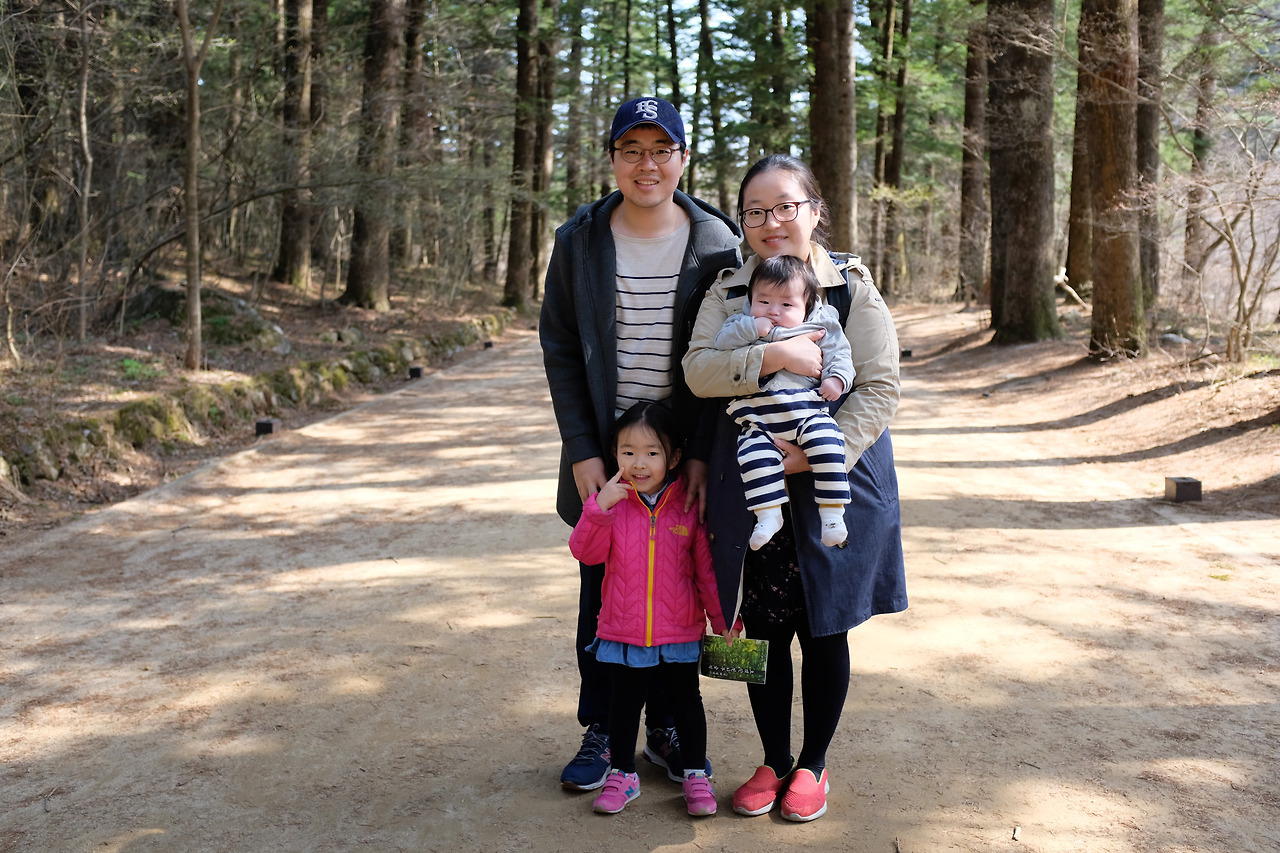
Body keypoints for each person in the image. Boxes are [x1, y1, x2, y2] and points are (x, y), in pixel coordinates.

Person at [682, 154, 908, 822]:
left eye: (785, 206)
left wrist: (813, 454)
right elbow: (698, 371)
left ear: (814, 211)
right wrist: (774, 355)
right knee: (762, 625)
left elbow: (880, 386)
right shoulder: (727, 289)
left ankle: (813, 763)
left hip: (837, 471)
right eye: (755, 211)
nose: (770, 222)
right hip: (755, 480)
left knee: (825, 626)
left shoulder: (850, 287)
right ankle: (773, 758)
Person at [539, 95, 742, 792]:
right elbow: (560, 346)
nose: (646, 165)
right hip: (611, 455)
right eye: (632, 150)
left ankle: (666, 726)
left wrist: (703, 454)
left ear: (683, 158)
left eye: (661, 150)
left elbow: (728, 359)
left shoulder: (717, 243)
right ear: (613, 158)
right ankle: (602, 727)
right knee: (605, 590)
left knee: (677, 589)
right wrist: (582, 449)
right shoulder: (580, 239)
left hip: (682, 456)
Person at [569, 402, 730, 816]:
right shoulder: (613, 504)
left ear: (674, 458)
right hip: (623, 628)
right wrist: (599, 508)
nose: (639, 463)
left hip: (680, 629)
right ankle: (623, 774)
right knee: (623, 705)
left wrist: (723, 617)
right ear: (615, 455)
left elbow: (705, 569)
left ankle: (695, 774)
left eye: (652, 452)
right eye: (628, 452)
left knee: (686, 704)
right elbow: (586, 553)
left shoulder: (687, 505)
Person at [713, 254, 853, 550]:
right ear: (750, 299)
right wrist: (753, 329)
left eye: (786, 305)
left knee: (829, 445)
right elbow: (721, 344)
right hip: (759, 422)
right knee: (753, 458)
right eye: (763, 301)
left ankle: (832, 514)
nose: (773, 311)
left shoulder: (819, 326)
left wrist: (836, 379)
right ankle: (768, 515)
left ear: (807, 306)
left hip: (808, 414)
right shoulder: (741, 323)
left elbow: (840, 354)